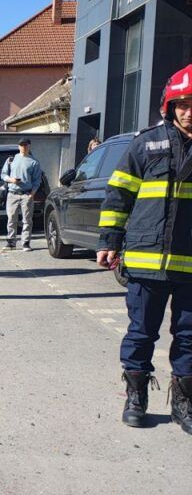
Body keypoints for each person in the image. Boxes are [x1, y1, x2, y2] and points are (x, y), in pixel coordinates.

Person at [97, 63, 192, 435]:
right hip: (145, 261)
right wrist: (109, 241)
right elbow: (118, 194)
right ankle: (136, 397)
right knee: (141, 333)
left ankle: (183, 402)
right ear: (169, 106)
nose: (189, 111)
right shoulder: (146, 143)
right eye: (182, 104)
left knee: (189, 337)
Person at [1, 138, 43, 252]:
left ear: (29, 146)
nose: (23, 147)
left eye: (25, 145)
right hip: (12, 193)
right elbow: (3, 174)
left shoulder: (34, 162)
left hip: (26, 194)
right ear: (18, 146)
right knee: (11, 219)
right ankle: (11, 242)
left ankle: (25, 242)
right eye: (21, 145)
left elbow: (37, 180)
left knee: (27, 220)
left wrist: (32, 194)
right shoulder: (11, 159)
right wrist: (11, 180)